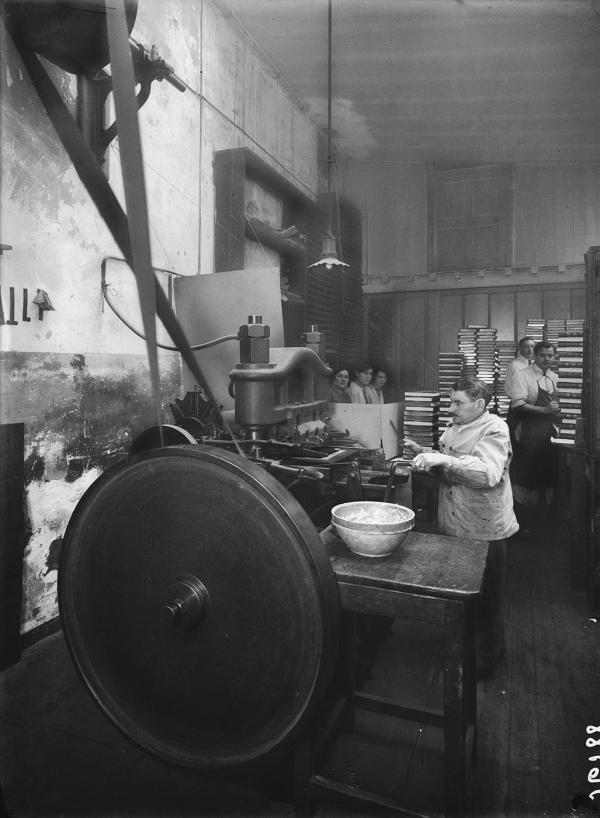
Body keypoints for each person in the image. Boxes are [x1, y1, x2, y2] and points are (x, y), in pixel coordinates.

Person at [405, 377, 518, 679]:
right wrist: (426, 454)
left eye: (458, 403)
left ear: (479, 405)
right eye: (451, 401)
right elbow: (454, 468)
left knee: (487, 601)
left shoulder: (494, 428)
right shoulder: (455, 428)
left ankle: (483, 665)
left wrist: (442, 458)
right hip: (456, 523)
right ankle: (468, 652)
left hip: (484, 528)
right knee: (463, 597)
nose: (451, 408)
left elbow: (487, 474)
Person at [509, 341, 561, 512]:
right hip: (527, 431)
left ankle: (544, 516)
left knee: (547, 472)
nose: (547, 359)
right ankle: (524, 519)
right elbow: (518, 404)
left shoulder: (554, 377)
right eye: (542, 355)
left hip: (548, 432)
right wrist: (544, 409)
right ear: (535, 356)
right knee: (526, 476)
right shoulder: (523, 375)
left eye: (550, 356)